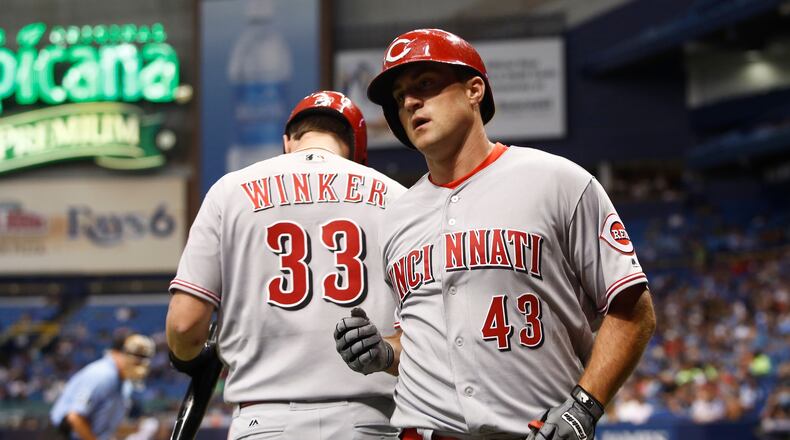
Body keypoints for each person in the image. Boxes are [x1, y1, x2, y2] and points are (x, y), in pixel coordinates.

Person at [334, 29, 657, 440]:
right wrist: (384, 352)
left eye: (425, 85)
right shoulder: (397, 217)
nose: (410, 102)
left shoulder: (555, 180)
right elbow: (423, 340)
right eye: (399, 97)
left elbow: (633, 311)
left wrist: (585, 406)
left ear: (474, 90)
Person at [166, 90, 407, 440]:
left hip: (264, 422)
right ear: (357, 151)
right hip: (370, 420)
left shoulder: (230, 191)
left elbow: (185, 325)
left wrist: (187, 355)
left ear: (287, 141)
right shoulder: (397, 196)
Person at [49, 333, 156, 440]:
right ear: (116, 353)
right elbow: (75, 418)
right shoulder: (102, 375)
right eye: (136, 356)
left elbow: (105, 426)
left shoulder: (124, 382)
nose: (140, 362)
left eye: (143, 357)